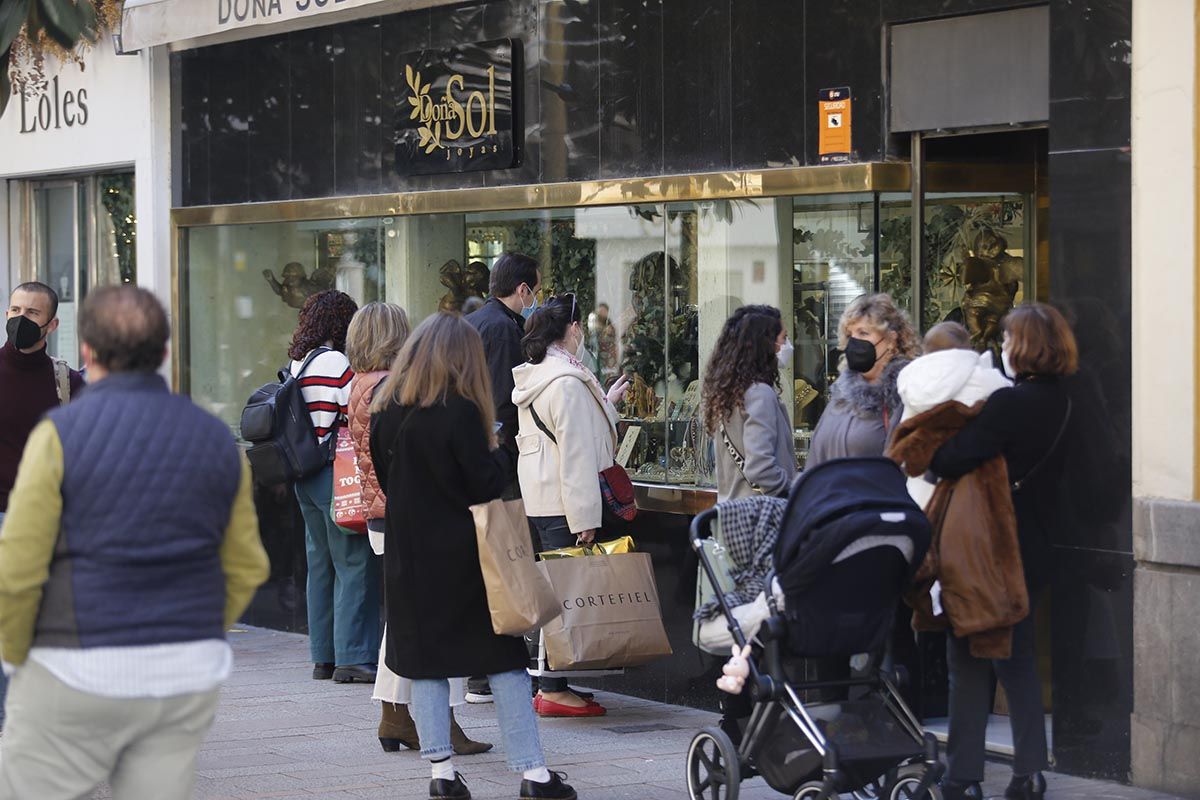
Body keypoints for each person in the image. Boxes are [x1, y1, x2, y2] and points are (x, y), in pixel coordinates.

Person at [0, 286, 269, 800]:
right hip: (179, 672)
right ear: (164, 354)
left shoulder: (58, 435)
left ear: (87, 352)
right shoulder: (217, 440)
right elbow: (246, 567)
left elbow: (18, 568)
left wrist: (16, 656)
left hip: (73, 663)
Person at [369, 313, 577, 800]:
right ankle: (534, 774)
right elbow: (484, 483)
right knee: (502, 659)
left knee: (426, 664)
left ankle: (441, 775)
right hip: (466, 560)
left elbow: (387, 479)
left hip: (408, 558)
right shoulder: (460, 411)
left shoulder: (386, 411)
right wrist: (502, 448)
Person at [928, 304, 1077, 800]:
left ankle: (962, 776)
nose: (1005, 348)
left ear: (1026, 346)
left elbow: (951, 457)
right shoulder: (1068, 402)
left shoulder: (1009, 404)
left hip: (987, 547)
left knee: (967, 659)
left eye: (1010, 340)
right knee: (1018, 662)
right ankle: (1030, 772)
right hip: (1035, 548)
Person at [344, 302, 491, 756]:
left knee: (408, 620)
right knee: (425, 621)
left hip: (382, 512)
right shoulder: (387, 389)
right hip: (405, 513)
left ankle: (397, 716)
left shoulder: (360, 386)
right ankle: (425, 719)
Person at [511, 294, 630, 718]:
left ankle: (548, 682)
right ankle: (552, 688)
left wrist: (606, 404)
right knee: (566, 596)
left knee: (551, 593)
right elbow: (577, 454)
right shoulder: (567, 382)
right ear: (571, 329)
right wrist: (585, 518)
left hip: (541, 499)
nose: (582, 333)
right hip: (564, 503)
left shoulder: (539, 376)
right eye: (578, 327)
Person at [0, 281, 86, 725]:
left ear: (51, 324)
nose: (20, 319)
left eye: (31, 313)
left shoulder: (67, 383)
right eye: (15, 308)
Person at [289, 289, 380, 684]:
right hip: (333, 473)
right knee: (354, 561)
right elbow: (357, 409)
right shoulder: (335, 362)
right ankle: (354, 657)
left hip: (303, 475)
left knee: (320, 565)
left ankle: (322, 656)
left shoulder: (298, 363)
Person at [465, 250, 540, 705]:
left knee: (491, 564)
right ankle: (487, 671)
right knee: (504, 564)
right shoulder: (502, 329)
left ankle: (484, 669)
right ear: (524, 289)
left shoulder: (478, 321)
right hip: (498, 467)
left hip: (481, 462)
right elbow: (501, 402)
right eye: (536, 288)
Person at [895, 320, 1010, 508]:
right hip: (973, 488)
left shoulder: (913, 383)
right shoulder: (985, 380)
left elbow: (903, 437)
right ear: (967, 348)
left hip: (920, 490)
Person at [805, 293, 921, 468]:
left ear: (891, 340)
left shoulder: (902, 395)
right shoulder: (841, 394)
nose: (855, 342)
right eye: (851, 335)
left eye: (863, 333)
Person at [701, 305, 797, 502]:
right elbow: (760, 467)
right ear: (767, 344)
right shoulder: (759, 393)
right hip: (759, 516)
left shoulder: (728, 392)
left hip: (732, 513)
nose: (787, 345)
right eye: (783, 338)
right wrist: (792, 489)